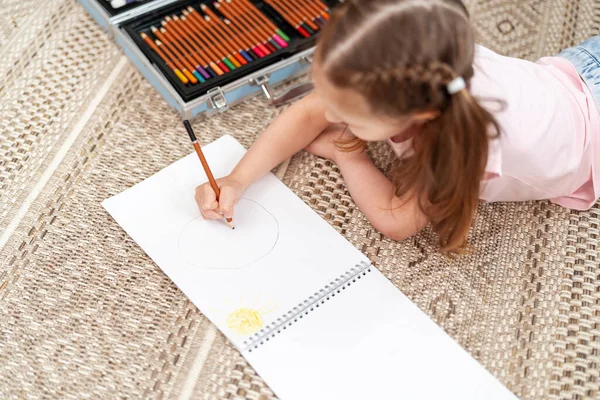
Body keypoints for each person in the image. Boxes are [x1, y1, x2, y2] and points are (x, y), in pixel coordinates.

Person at [195, 0, 600, 252]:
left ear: (416, 115)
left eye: (348, 117)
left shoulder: (454, 146)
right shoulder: (418, 56)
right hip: (582, 67)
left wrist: (347, 153)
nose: (329, 117)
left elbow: (398, 221)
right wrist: (236, 179)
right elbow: (306, 113)